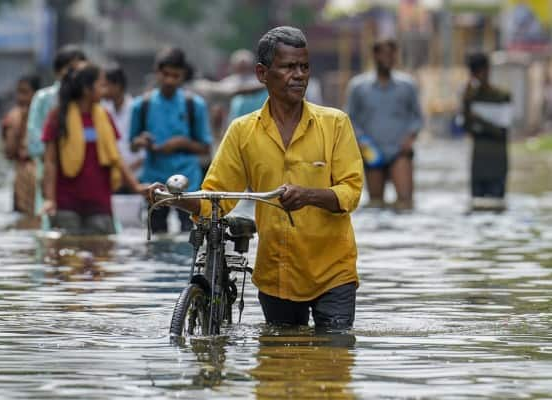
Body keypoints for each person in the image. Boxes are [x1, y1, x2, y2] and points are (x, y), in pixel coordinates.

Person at [147, 26, 364, 329]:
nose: (299, 75)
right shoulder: (242, 131)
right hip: (278, 275)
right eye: (289, 67)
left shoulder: (335, 123)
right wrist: (176, 200)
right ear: (262, 74)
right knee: (278, 364)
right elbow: (217, 199)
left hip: (333, 272)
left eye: (304, 67)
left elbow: (351, 192)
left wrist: (308, 195)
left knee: (335, 357)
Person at [40, 63, 148, 235]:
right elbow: (50, 162)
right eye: (101, 85)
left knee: (102, 256)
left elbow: (116, 156)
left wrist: (136, 187)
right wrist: (50, 199)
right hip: (67, 202)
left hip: (99, 203)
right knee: (68, 256)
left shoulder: (104, 116)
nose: (104, 91)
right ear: (86, 89)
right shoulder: (57, 117)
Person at [129, 47, 212, 233]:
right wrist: (141, 141)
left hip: (188, 181)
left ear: (183, 76)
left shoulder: (195, 105)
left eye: (175, 75)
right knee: (156, 236)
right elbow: (132, 145)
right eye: (165, 74)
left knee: (189, 236)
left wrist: (181, 143)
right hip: (154, 182)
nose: (169, 80)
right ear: (157, 73)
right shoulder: (141, 105)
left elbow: (206, 148)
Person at [346, 38, 423, 209]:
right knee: (375, 204)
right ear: (375, 55)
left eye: (392, 54)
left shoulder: (407, 85)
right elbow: (349, 119)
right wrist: (360, 141)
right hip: (372, 151)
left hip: (399, 151)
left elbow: (417, 117)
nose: (388, 58)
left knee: (406, 203)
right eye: (384, 53)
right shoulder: (358, 86)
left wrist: (410, 137)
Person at [26, 45, 87, 226]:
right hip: (51, 168)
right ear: (58, 71)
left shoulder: (87, 100)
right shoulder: (44, 98)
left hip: (81, 170)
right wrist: (55, 157)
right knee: (51, 221)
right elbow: (34, 135)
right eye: (71, 70)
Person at [462, 52, 512, 211]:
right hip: (478, 165)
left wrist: (479, 119)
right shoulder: (471, 97)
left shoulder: (502, 96)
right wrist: (466, 103)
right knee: (476, 209)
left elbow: (502, 131)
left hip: (497, 164)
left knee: (497, 209)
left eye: (481, 71)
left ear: (488, 70)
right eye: (476, 73)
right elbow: (466, 128)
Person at [101, 63, 146, 227]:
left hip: (135, 176)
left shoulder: (136, 109)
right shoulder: (103, 110)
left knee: (134, 224)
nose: (102, 90)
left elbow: (143, 152)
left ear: (117, 86)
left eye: (105, 85)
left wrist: (125, 173)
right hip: (114, 176)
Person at [1, 74, 41, 216]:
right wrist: (17, 127)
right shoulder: (13, 117)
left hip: (41, 173)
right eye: (18, 92)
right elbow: (8, 153)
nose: (21, 98)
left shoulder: (45, 114)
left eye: (25, 92)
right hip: (22, 174)